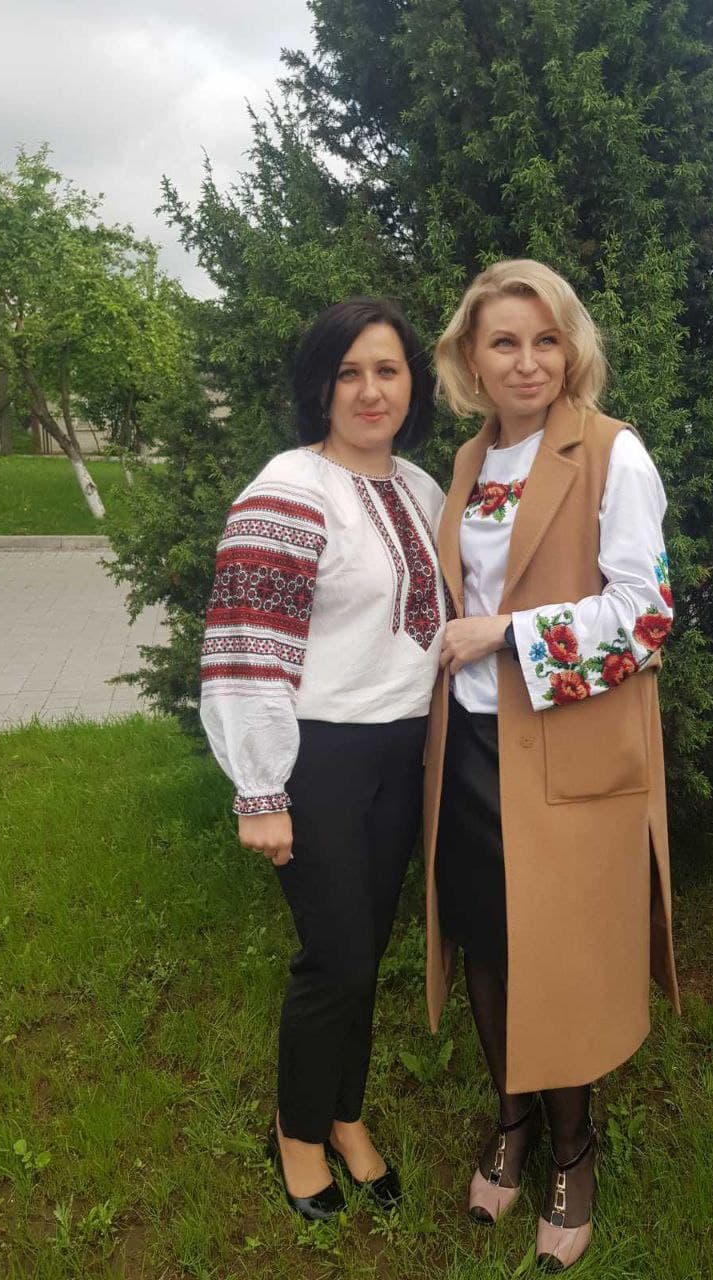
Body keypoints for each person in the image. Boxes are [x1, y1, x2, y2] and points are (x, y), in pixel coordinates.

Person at [422, 260, 681, 1271]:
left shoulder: (612, 451)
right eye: (504, 342)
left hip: (563, 750)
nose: (527, 361)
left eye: (546, 340)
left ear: (571, 349)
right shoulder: (467, 460)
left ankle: (574, 1150)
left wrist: (503, 634)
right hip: (470, 745)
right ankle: (513, 1117)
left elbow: (646, 618)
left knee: (557, 952)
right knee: (488, 940)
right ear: (471, 358)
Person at [199, 298, 444, 1221]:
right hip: (320, 756)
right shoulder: (288, 488)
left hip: (404, 749)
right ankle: (298, 1130)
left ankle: (346, 1114)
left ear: (412, 384)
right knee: (335, 956)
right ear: (321, 386)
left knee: (366, 948)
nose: (370, 391)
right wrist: (260, 787)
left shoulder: (422, 490)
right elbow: (244, 644)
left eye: (387, 370)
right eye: (349, 373)